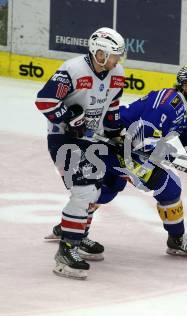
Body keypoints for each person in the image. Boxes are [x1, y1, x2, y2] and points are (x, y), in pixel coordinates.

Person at [44, 64, 187, 279]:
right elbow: (143, 140)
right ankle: (175, 239)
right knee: (163, 184)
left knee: (110, 187)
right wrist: (162, 151)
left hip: (127, 150)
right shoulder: (167, 104)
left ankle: (71, 229)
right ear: (185, 86)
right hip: (114, 146)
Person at [36, 27, 126, 279]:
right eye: (112, 55)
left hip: (91, 140)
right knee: (84, 187)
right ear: (99, 53)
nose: (116, 61)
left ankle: (77, 235)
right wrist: (70, 118)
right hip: (62, 138)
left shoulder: (117, 73)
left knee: (97, 187)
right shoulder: (73, 70)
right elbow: (45, 101)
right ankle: (67, 249)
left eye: (118, 56)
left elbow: (113, 105)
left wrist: (115, 132)